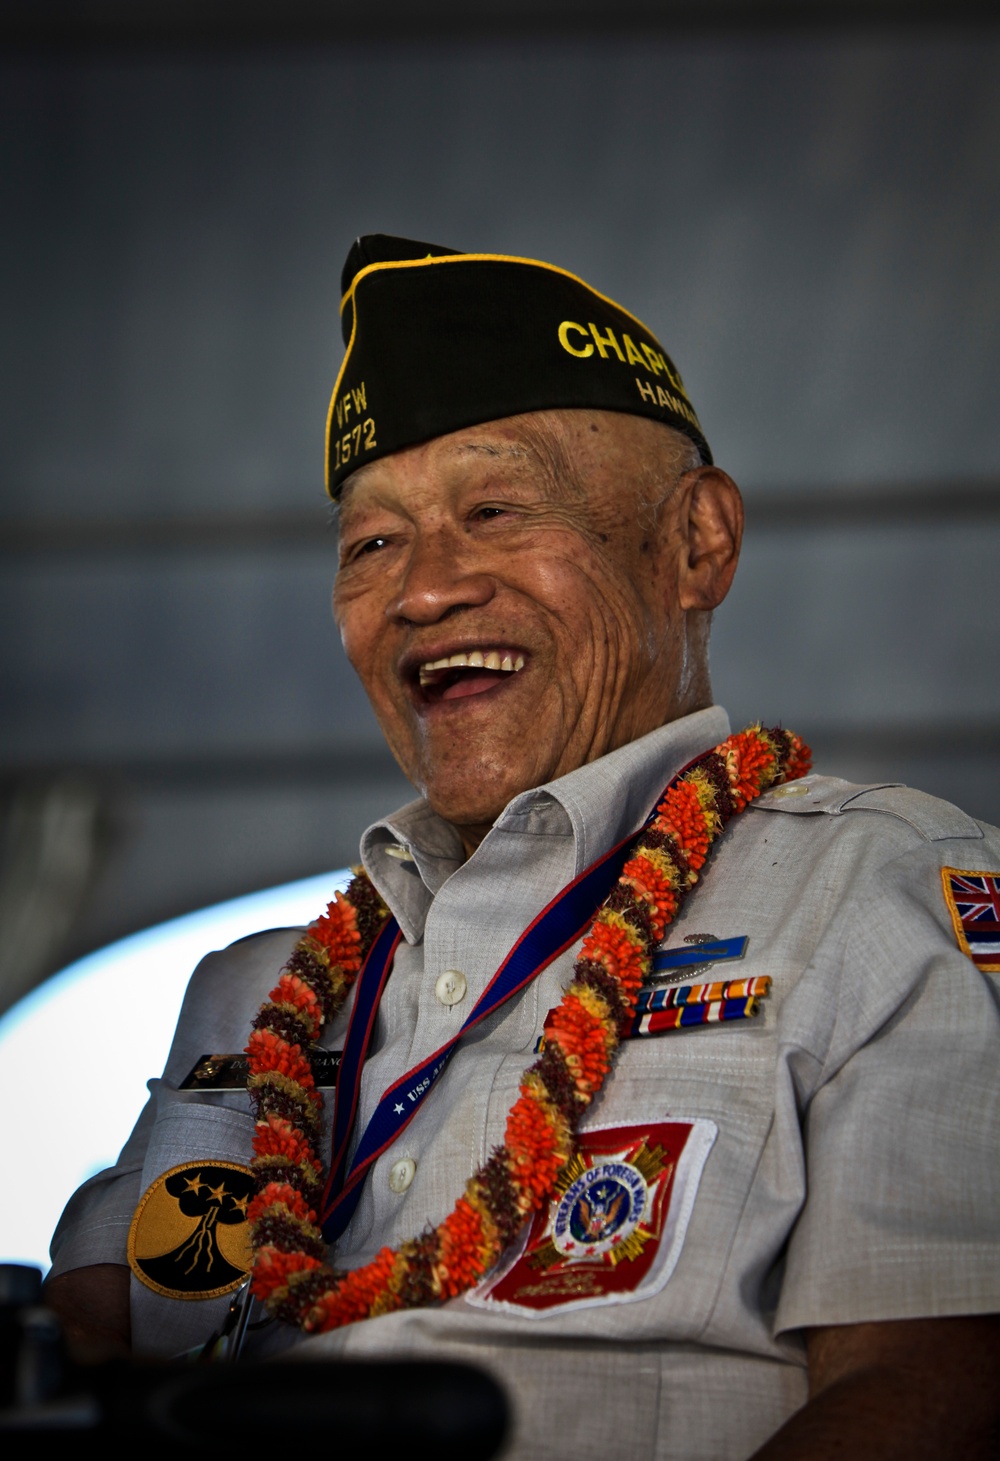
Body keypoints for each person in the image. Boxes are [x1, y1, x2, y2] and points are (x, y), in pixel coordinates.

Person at [45, 235, 1000, 1459]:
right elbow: (92, 1346)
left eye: (494, 512)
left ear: (696, 545)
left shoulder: (878, 889)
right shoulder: (254, 994)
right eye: (370, 544)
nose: (424, 590)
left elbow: (937, 1397)